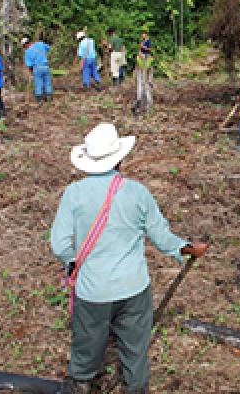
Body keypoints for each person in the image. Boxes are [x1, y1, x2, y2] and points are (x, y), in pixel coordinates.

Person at [50, 123, 209, 393]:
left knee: (86, 350)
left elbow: (60, 245)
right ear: (119, 158)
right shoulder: (137, 192)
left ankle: (80, 383)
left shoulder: (73, 194)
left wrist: (77, 263)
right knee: (135, 350)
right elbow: (162, 237)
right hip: (134, 288)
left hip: (93, 290)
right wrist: (188, 248)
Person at [22, 37, 53, 102]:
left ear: (25, 45)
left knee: (38, 83)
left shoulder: (27, 52)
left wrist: (30, 73)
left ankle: (40, 99)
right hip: (45, 66)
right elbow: (48, 48)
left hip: (37, 68)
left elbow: (29, 65)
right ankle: (49, 98)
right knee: (48, 82)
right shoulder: (40, 44)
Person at [133, 31, 154, 114]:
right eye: (142, 35)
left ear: (146, 35)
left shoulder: (148, 41)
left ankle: (148, 104)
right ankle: (140, 103)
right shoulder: (142, 41)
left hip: (146, 59)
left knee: (146, 85)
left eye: (144, 34)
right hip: (141, 61)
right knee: (141, 84)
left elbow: (149, 49)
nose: (143, 36)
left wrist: (144, 48)